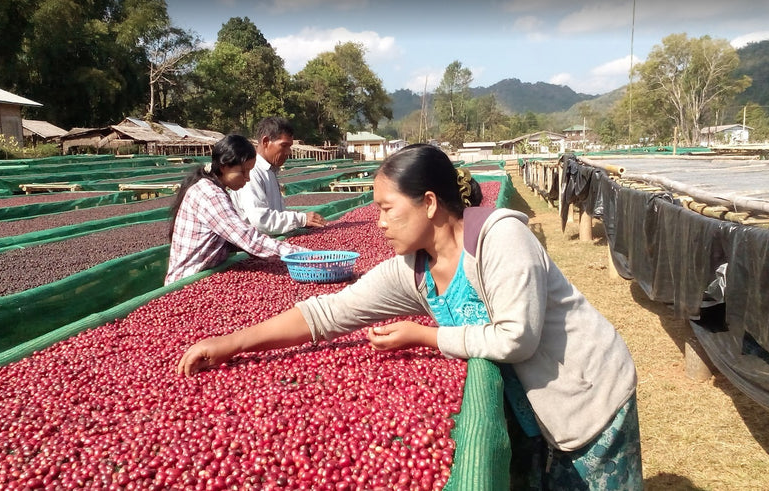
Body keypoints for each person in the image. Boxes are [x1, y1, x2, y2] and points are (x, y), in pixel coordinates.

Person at [177, 144, 643, 488]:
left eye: (386, 209)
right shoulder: (413, 269)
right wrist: (230, 343)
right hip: (533, 407)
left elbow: (515, 339)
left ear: (430, 203)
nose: (377, 222)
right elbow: (330, 312)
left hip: (585, 394)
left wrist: (424, 336)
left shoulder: (499, 240)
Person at [165, 134, 308, 285]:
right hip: (186, 282)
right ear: (224, 166)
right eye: (243, 172)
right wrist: (300, 255)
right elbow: (247, 238)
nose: (247, 178)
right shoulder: (210, 194)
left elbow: (232, 238)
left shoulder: (215, 188)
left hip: (205, 276)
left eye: (249, 172)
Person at [230, 116, 326, 236]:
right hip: (254, 248)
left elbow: (275, 214)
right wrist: (301, 219)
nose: (288, 152)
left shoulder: (270, 171)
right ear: (265, 142)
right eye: (284, 145)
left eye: (289, 146)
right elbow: (260, 220)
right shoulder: (252, 172)